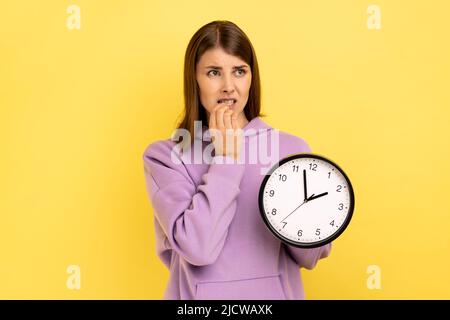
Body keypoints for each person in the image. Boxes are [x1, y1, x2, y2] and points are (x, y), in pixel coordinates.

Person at [143, 20, 331, 300]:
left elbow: (311, 256)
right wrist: (227, 158)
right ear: (194, 78)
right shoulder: (166, 157)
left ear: (251, 78)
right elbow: (198, 249)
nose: (228, 87)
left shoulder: (291, 149)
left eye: (239, 71)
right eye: (214, 72)